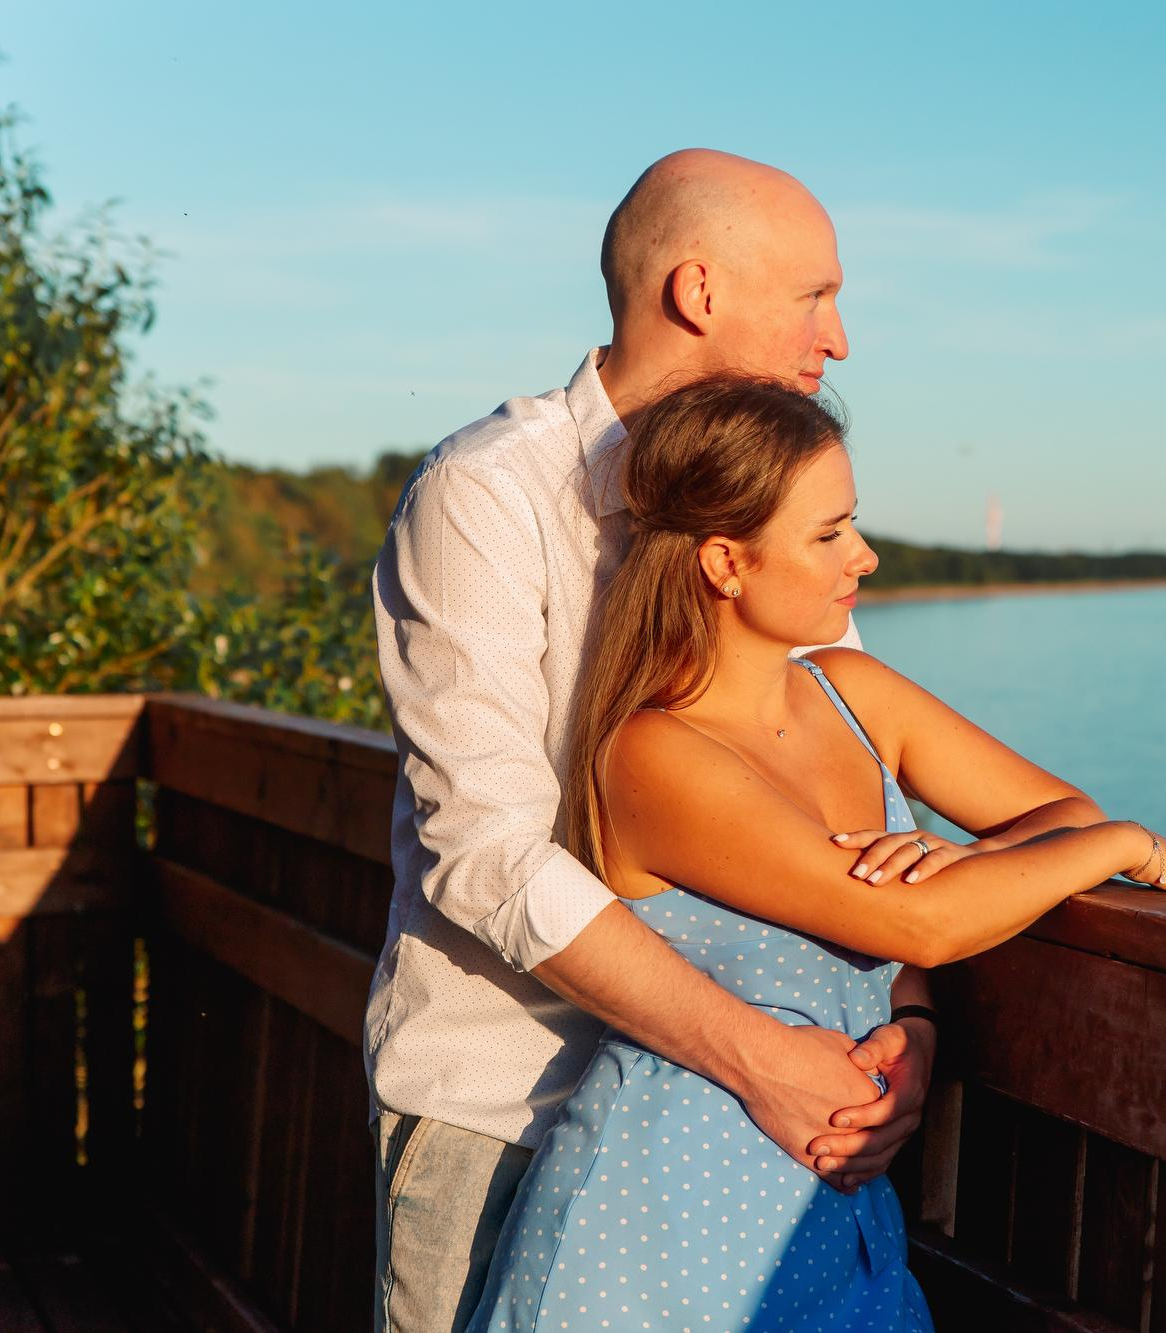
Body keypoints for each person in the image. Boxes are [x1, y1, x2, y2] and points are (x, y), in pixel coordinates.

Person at [468, 376, 1166, 1331]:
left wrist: (933, 953)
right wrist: (1125, 847)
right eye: (828, 534)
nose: (862, 554)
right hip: (659, 1235)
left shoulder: (856, 695)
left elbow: (1055, 808)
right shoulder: (652, 754)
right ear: (726, 561)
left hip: (832, 1218)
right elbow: (926, 923)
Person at [368, 151, 941, 1331]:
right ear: (697, 292)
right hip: (511, 1113)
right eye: (813, 297)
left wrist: (913, 1024)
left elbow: (855, 802)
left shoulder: (778, 509)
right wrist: (755, 1056)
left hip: (753, 1145)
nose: (835, 340)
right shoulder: (487, 496)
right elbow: (483, 854)